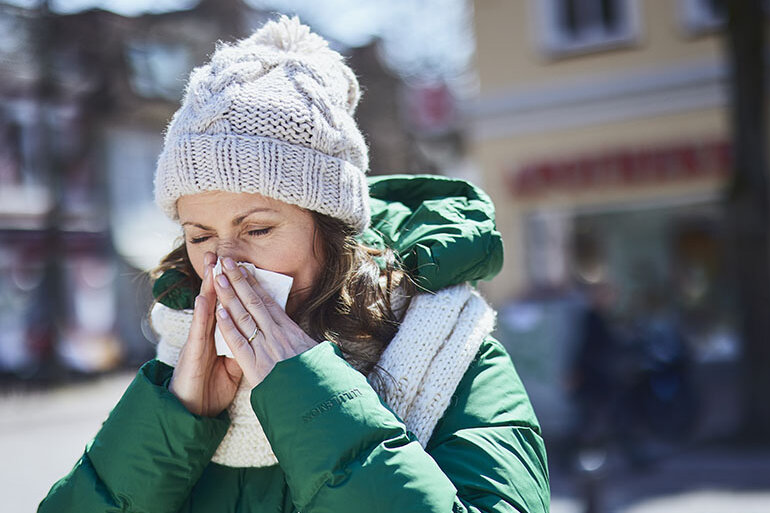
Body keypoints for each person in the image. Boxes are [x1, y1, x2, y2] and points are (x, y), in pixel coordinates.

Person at [38, 17, 549, 513]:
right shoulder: (175, 371)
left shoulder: (455, 354)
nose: (224, 267)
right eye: (200, 235)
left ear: (331, 230)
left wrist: (306, 394)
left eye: (257, 229)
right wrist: (175, 422)